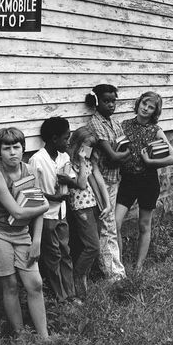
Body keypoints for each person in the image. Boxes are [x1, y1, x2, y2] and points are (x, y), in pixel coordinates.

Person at [0, 127, 49, 338]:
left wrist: (36, 241)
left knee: (35, 283)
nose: (12, 152)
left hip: (21, 232)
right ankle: (21, 336)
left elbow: (34, 206)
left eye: (16, 147)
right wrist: (45, 206)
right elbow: (17, 211)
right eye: (6, 148)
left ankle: (45, 338)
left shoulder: (28, 171)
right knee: (10, 284)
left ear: (23, 148)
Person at [115, 91, 173, 273]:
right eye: (144, 104)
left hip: (148, 181)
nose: (146, 109)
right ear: (138, 103)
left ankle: (138, 266)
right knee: (116, 223)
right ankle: (118, 266)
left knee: (144, 224)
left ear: (154, 112)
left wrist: (150, 162)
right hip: (127, 180)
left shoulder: (155, 130)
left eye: (151, 107)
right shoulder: (124, 125)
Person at [28, 116, 82, 305]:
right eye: (66, 138)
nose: (68, 142)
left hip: (62, 213)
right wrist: (53, 198)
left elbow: (73, 181)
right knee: (53, 255)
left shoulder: (64, 157)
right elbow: (31, 192)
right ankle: (61, 296)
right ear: (54, 138)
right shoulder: (37, 160)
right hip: (46, 216)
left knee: (65, 251)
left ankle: (70, 293)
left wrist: (68, 184)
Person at [85, 84, 130, 281]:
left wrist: (123, 154)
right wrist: (124, 154)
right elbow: (112, 156)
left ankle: (109, 268)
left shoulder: (114, 123)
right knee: (108, 226)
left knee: (108, 225)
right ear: (96, 102)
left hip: (114, 178)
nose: (111, 105)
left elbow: (127, 148)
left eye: (113, 101)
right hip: (101, 180)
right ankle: (114, 275)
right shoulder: (96, 124)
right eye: (106, 101)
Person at [66, 126, 111, 299]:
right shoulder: (69, 163)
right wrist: (82, 160)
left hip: (94, 205)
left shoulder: (90, 162)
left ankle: (83, 279)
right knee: (92, 246)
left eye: (90, 146)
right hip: (81, 207)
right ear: (76, 143)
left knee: (92, 244)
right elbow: (82, 184)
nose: (87, 150)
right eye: (84, 145)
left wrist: (107, 204)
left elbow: (100, 182)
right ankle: (78, 275)